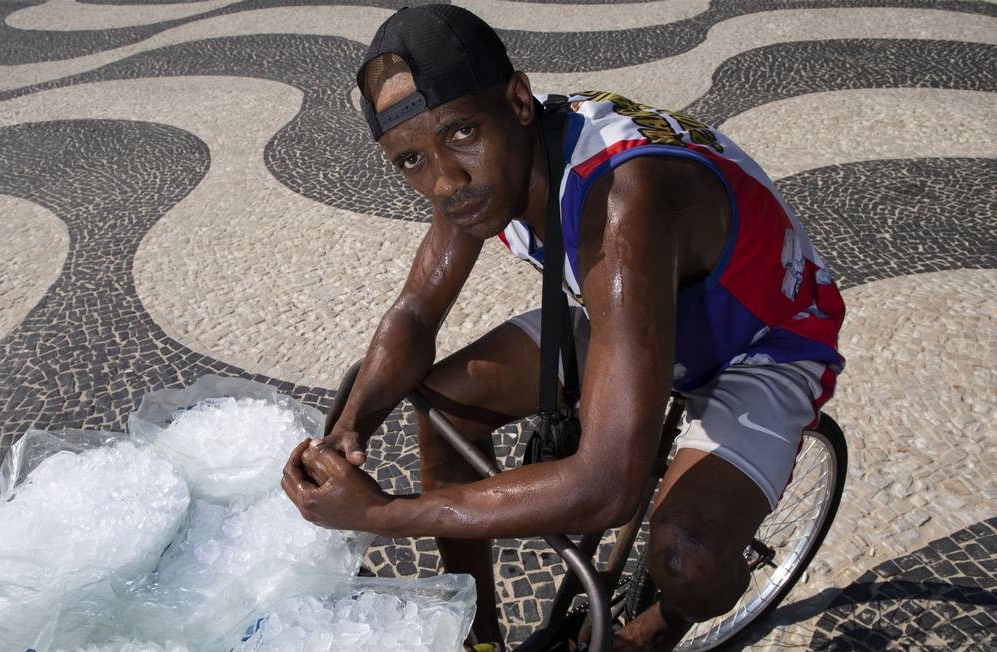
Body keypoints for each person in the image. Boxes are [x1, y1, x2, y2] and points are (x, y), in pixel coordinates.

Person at [281, 5, 845, 651]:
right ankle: (478, 635)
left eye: (462, 132)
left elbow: (606, 487)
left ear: (519, 100)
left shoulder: (623, 197)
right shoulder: (480, 172)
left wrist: (383, 516)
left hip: (759, 341)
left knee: (689, 558)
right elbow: (414, 312)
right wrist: (350, 428)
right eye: (410, 161)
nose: (445, 179)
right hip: (627, 308)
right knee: (446, 403)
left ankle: (663, 628)